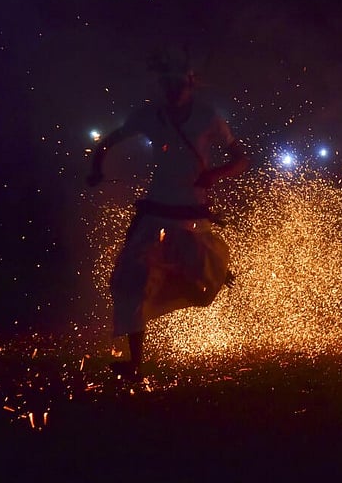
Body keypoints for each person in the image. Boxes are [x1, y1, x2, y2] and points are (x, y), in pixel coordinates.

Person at [86, 47, 249, 380]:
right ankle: (134, 363)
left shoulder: (207, 116)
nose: (174, 91)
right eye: (168, 85)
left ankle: (216, 270)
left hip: (191, 215)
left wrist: (214, 175)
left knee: (205, 274)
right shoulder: (150, 115)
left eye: (179, 85)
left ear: (191, 85)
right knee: (132, 283)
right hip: (156, 213)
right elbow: (107, 142)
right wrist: (96, 169)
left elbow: (241, 159)